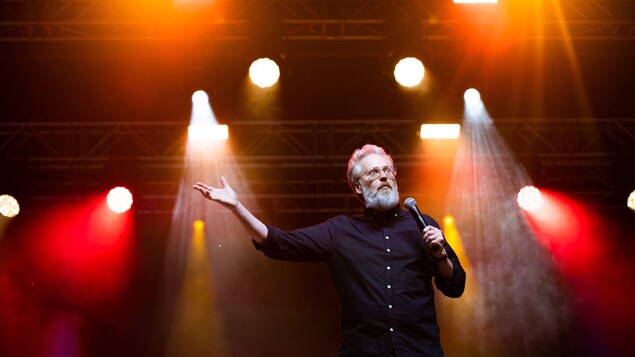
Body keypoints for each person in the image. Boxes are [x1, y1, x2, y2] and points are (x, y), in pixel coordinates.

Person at [193, 144, 466, 356]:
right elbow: (280, 243)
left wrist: (440, 254)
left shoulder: (422, 224)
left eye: (388, 170)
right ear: (357, 186)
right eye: (374, 172)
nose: (383, 176)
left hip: (419, 351)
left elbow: (455, 285)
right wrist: (237, 208)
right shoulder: (340, 231)